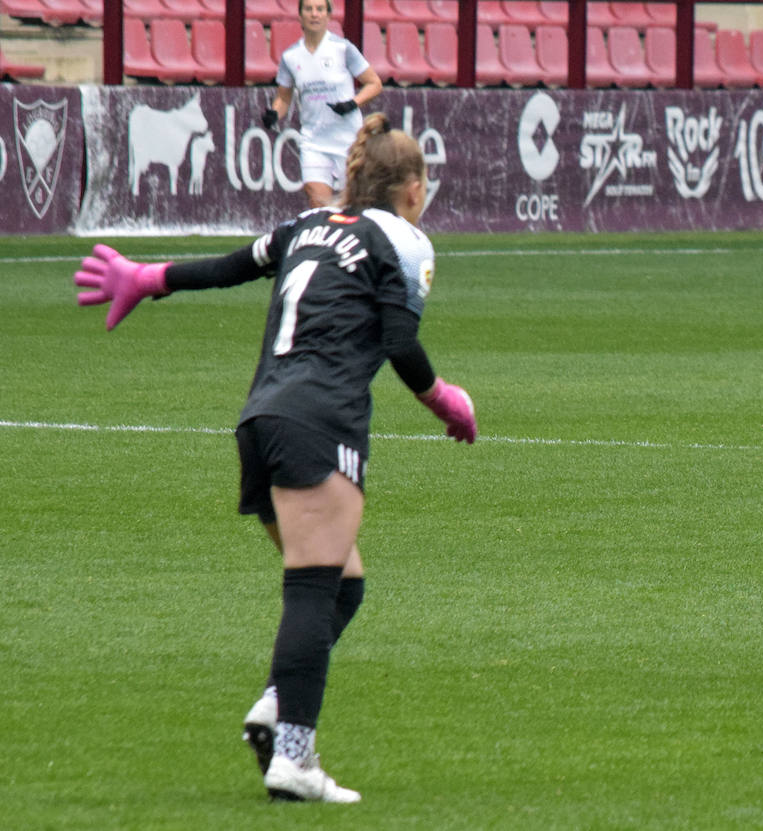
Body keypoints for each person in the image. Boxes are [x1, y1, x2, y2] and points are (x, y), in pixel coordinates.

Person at [73, 114, 476, 803]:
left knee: (343, 586)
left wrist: (149, 276)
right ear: (412, 188)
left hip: (261, 419)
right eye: (425, 181)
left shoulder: (307, 225)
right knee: (313, 589)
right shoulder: (405, 241)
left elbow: (233, 266)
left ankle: (274, 707)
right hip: (321, 418)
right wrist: (444, 400)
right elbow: (402, 342)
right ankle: (295, 755)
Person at [262, 0, 383, 209]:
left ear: (328, 16)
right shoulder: (290, 57)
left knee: (356, 206)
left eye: (319, 9)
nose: (314, 14)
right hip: (314, 141)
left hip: (348, 140)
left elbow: (374, 83)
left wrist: (352, 103)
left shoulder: (343, 49)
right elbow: (283, 97)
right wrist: (274, 113)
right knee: (319, 204)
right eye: (308, 9)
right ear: (300, 16)